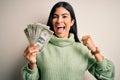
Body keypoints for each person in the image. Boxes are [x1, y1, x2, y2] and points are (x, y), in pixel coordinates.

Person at [21, 1, 115, 80]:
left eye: (64, 16)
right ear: (51, 21)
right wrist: (32, 64)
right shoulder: (39, 48)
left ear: (72, 22)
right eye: (55, 16)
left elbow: (107, 76)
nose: (59, 21)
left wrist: (95, 51)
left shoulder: (82, 49)